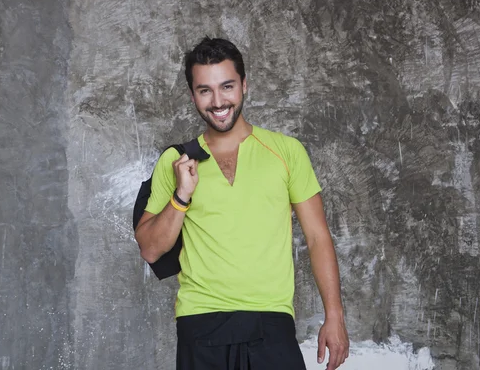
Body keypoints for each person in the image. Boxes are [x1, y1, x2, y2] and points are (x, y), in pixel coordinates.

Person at [134, 37, 349, 370]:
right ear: (192, 95)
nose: (218, 101)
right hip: (201, 322)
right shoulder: (176, 161)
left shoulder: (286, 151)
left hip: (271, 321)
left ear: (244, 86)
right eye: (205, 90)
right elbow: (150, 249)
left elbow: (318, 237)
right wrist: (181, 196)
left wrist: (334, 316)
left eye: (227, 86)